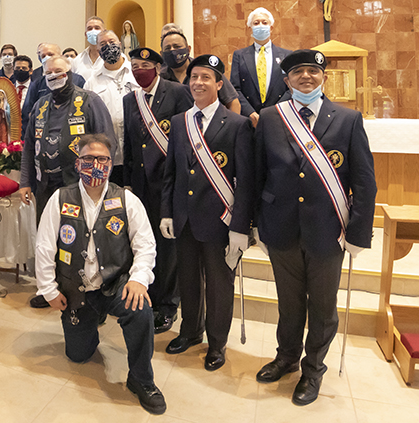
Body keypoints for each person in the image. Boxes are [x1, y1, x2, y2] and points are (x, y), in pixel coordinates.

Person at [254, 49, 376, 406]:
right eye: (298, 73)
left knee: (322, 307)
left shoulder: (348, 119)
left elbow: (365, 182)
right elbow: (258, 174)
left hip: (328, 230)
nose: (306, 77)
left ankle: (313, 369)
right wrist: (257, 224)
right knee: (289, 302)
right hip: (281, 227)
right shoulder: (271, 117)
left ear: (322, 76)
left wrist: (358, 232)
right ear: (287, 80)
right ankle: (287, 356)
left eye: (312, 71)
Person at [35, 134, 166, 415]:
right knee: (79, 355)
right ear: (78, 162)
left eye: (102, 159)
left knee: (140, 308)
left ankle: (142, 379)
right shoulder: (60, 199)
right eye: (88, 159)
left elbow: (146, 245)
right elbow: (44, 247)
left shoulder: (127, 199)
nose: (95, 164)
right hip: (76, 290)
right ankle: (89, 324)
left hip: (115, 283)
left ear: (111, 162)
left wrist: (138, 279)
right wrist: (48, 289)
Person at [159, 54, 254, 372]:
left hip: (220, 222)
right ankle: (190, 332)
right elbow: (171, 173)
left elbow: (246, 181)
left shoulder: (237, 125)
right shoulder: (179, 122)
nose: (198, 82)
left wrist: (240, 226)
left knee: (218, 285)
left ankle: (217, 343)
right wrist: (167, 213)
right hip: (185, 219)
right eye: (194, 77)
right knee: (187, 280)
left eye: (206, 77)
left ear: (219, 83)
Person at [20, 55, 115, 308]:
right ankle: (48, 288)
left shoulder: (89, 101)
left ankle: (83, 290)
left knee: (79, 239)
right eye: (48, 73)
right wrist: (25, 182)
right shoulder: (40, 104)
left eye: (59, 72)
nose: (54, 76)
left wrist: (99, 180)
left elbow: (107, 143)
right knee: (48, 238)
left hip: (80, 187)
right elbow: (29, 146)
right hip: (45, 186)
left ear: (69, 72)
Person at [123, 47, 192, 334]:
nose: (140, 70)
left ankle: (168, 304)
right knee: (144, 240)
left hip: (168, 183)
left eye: (145, 65)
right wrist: (127, 181)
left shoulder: (177, 92)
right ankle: (147, 295)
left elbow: (187, 138)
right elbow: (128, 143)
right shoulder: (130, 99)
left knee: (168, 246)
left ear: (158, 67)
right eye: (135, 65)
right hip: (140, 184)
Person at [83, 29, 140, 187]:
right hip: (106, 155)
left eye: (112, 42)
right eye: (103, 44)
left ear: (120, 44)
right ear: (98, 49)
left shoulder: (135, 73)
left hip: (136, 153)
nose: (108, 46)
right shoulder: (91, 82)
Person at [230, 7, 291, 127]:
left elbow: (291, 87)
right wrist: (250, 112)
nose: (260, 25)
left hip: (279, 118)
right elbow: (235, 88)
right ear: (250, 29)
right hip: (249, 120)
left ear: (271, 27)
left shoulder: (286, 55)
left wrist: (274, 112)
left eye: (264, 22)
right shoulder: (239, 56)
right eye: (256, 23)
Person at [160, 30, 241, 114]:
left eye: (177, 46)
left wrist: (232, 125)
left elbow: (233, 102)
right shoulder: (159, 78)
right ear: (162, 53)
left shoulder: (207, 69)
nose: (172, 50)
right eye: (167, 48)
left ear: (188, 49)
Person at [21, 43, 86, 137]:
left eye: (50, 54)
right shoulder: (37, 83)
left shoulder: (78, 80)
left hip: (72, 132)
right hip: (45, 134)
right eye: (43, 56)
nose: (47, 58)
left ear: (61, 56)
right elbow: (28, 112)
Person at [72, 16, 107, 81]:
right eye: (90, 28)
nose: (93, 31)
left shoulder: (113, 58)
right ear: (85, 34)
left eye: (97, 28)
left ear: (104, 32)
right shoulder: (77, 61)